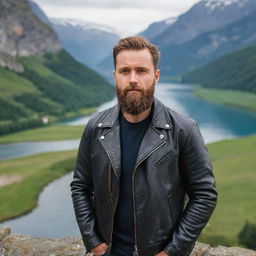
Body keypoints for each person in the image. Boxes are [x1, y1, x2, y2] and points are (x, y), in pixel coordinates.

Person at [70, 36, 217, 256]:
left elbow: (204, 195)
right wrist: (94, 243)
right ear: (115, 76)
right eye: (124, 71)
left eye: (141, 71)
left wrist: (172, 252)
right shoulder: (96, 127)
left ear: (155, 76)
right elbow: (80, 186)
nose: (132, 79)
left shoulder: (183, 129)